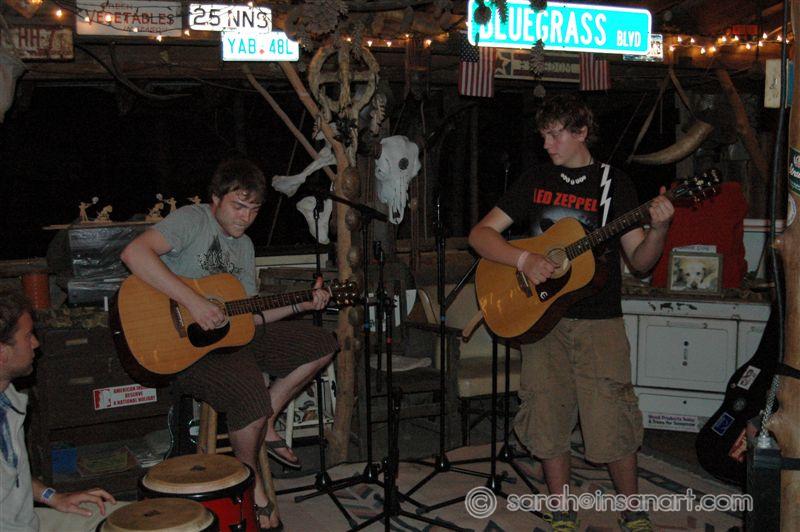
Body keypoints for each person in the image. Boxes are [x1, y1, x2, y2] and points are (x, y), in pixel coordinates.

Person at [468, 94, 674, 532]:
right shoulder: (535, 179)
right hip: (542, 320)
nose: (546, 144)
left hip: (600, 321)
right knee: (546, 413)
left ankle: (632, 508)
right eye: (543, 135)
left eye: (555, 135)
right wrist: (524, 260)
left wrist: (659, 230)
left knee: (613, 414)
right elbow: (480, 236)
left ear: (581, 132)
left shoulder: (614, 184)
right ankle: (560, 507)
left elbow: (640, 261)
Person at [120, 157, 337, 531]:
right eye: (238, 206)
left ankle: (267, 417)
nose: (246, 217)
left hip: (234, 339)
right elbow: (134, 253)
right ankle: (248, 482)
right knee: (248, 392)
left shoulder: (245, 246)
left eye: (254, 210)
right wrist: (193, 302)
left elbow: (248, 315)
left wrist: (301, 304)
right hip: (189, 350)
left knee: (323, 342)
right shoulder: (192, 220)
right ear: (216, 198)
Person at [1, 290, 123, 531]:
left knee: (130, 518)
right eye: (28, 336)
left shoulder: (8, 397)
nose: (36, 343)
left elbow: (13, 475)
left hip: (29, 519)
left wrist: (53, 497)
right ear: (2, 353)